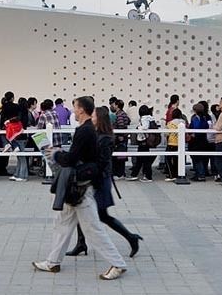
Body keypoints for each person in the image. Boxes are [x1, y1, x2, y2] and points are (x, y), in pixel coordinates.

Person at [32, 96, 127, 281]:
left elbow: (71, 159)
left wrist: (56, 153)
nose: (73, 111)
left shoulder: (84, 131)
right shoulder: (88, 130)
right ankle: (53, 262)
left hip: (80, 188)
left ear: (82, 109)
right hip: (78, 187)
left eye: (75, 108)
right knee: (63, 224)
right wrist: (60, 153)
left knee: (92, 228)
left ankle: (118, 264)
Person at [65, 106, 142, 259]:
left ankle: (131, 237)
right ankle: (81, 243)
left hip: (100, 180)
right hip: (94, 178)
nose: (90, 118)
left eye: (93, 116)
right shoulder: (95, 134)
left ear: (99, 118)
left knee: (102, 215)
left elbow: (103, 162)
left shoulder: (105, 138)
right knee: (82, 208)